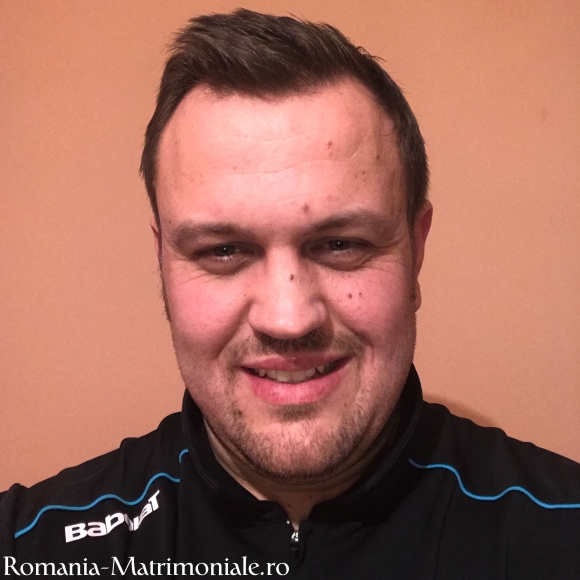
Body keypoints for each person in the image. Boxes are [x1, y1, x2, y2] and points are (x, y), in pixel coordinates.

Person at [1, 8, 580, 578]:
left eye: (341, 244)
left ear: (417, 250)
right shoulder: (28, 545)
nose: (288, 317)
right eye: (223, 250)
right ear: (162, 260)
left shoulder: (562, 533)